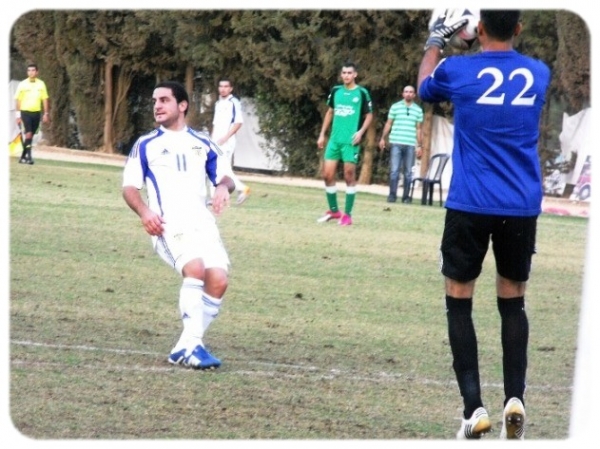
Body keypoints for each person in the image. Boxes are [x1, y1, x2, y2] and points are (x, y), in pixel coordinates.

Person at [417, 10, 550, 440]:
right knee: (513, 302)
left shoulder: (458, 70)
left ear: (479, 29)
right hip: (520, 204)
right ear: (518, 28)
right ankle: (515, 398)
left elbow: (425, 86)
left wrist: (436, 41)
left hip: (470, 203)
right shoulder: (539, 73)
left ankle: (474, 409)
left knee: (459, 300)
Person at [122, 81, 236, 370]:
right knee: (195, 268)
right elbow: (130, 187)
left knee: (218, 280)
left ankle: (183, 347)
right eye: (154, 101)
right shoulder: (146, 144)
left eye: (164, 100)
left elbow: (225, 177)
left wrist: (223, 188)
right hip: (167, 224)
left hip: (202, 224)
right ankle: (194, 347)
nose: (157, 106)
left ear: (182, 105)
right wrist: (145, 212)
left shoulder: (203, 143)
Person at [317, 62, 373, 226]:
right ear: (341, 75)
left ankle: (347, 215)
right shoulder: (336, 91)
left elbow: (369, 115)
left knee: (349, 176)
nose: (346, 75)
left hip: (350, 142)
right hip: (334, 140)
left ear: (355, 75)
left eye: (349, 73)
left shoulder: (361, 93)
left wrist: (360, 132)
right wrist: (322, 134)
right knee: (327, 175)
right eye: (344, 73)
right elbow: (330, 112)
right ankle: (334, 211)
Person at [378, 85, 424, 203]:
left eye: (411, 92)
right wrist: (383, 138)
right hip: (396, 142)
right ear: (403, 94)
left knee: (408, 172)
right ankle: (392, 196)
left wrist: (419, 145)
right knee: (394, 171)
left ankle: (406, 197)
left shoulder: (418, 110)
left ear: (414, 95)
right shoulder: (395, 107)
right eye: (406, 91)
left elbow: (419, 129)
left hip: (410, 144)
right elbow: (389, 123)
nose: (408, 94)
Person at [209, 77, 251, 205]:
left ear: (231, 88)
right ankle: (215, 197)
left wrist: (225, 137)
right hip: (216, 142)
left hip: (226, 143)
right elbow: (216, 124)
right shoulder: (218, 103)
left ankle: (242, 189)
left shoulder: (234, 102)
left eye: (226, 86)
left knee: (221, 168)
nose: (223, 89)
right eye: (221, 86)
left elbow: (238, 123)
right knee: (218, 168)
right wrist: (211, 140)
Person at [14, 63, 50, 165]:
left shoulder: (41, 84)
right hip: (25, 112)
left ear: (37, 72)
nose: (31, 72)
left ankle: (22, 157)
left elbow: (45, 99)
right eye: (29, 70)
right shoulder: (22, 84)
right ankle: (29, 157)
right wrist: (18, 115)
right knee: (28, 134)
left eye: (33, 70)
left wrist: (46, 113)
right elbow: (18, 100)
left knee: (30, 136)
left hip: (36, 113)